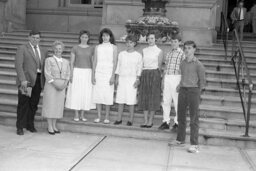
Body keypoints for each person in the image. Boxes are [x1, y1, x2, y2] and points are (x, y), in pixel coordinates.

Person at [168, 41, 206, 153]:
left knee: (194, 118)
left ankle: (194, 144)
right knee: (180, 116)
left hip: (193, 91)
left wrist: (196, 92)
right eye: (185, 48)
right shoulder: (182, 63)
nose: (187, 50)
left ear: (194, 49)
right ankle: (180, 140)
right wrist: (180, 85)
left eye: (189, 48)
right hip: (183, 91)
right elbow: (184, 76)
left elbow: (202, 82)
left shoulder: (199, 64)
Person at [15, 30, 47, 135]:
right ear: (29, 37)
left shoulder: (43, 50)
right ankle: (20, 126)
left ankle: (29, 124)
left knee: (33, 104)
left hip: (38, 80)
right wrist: (22, 80)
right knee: (23, 103)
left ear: (40, 39)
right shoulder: (22, 48)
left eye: (37, 38)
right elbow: (18, 65)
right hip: (26, 81)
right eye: (33, 37)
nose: (35, 39)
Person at [65, 30, 96, 121]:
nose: (84, 39)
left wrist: (93, 75)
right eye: (82, 37)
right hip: (77, 71)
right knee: (76, 92)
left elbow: (93, 63)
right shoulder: (75, 48)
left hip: (87, 72)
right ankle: (76, 114)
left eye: (86, 37)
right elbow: (72, 62)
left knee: (85, 93)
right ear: (80, 37)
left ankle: (82, 114)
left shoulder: (91, 48)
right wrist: (71, 74)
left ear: (88, 38)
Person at [42, 41, 70, 135]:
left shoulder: (66, 61)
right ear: (53, 49)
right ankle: (49, 126)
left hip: (62, 86)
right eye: (56, 48)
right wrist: (56, 84)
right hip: (51, 85)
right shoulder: (49, 60)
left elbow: (68, 74)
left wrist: (65, 84)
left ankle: (54, 125)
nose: (58, 50)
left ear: (62, 50)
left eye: (60, 48)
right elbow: (47, 73)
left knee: (58, 106)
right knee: (50, 105)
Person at [113, 35, 143, 126]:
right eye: (127, 42)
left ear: (135, 44)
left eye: (131, 42)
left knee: (131, 100)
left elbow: (139, 68)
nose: (129, 44)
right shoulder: (122, 54)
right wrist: (117, 78)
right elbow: (118, 67)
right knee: (120, 99)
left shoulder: (138, 55)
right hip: (122, 78)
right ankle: (119, 119)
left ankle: (130, 120)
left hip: (132, 79)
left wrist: (138, 79)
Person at [159, 34, 184, 131]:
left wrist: (181, 82)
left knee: (177, 101)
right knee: (166, 101)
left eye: (175, 41)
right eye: (172, 41)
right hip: (167, 78)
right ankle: (166, 121)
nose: (173, 43)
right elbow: (165, 68)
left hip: (176, 77)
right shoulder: (168, 53)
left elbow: (183, 69)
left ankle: (177, 123)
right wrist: (163, 80)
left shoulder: (182, 54)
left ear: (179, 42)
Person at [92, 28, 118, 124]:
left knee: (107, 95)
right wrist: (93, 75)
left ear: (110, 37)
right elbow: (95, 61)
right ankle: (98, 116)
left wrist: (113, 76)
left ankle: (106, 117)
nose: (105, 37)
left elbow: (115, 62)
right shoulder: (97, 47)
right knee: (98, 95)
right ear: (101, 37)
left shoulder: (114, 47)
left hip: (108, 73)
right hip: (99, 73)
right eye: (103, 35)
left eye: (107, 35)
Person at [138, 32, 163, 128]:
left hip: (154, 73)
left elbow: (159, 66)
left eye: (152, 38)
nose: (150, 40)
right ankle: (145, 120)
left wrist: (157, 77)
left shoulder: (159, 51)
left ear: (155, 39)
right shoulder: (144, 50)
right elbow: (141, 64)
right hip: (145, 73)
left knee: (153, 97)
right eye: (148, 38)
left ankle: (150, 120)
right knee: (144, 96)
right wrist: (139, 77)